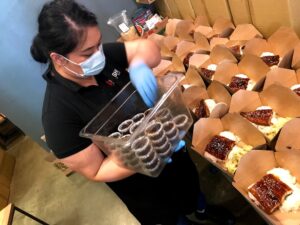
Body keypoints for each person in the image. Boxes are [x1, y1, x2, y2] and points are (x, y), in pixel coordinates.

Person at [30, 1, 234, 224]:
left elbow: (146, 49)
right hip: (142, 185)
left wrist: (138, 64)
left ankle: (201, 210)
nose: (98, 54)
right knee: (169, 217)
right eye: (88, 52)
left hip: (171, 149)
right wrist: (145, 156)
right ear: (59, 58)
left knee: (190, 189)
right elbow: (96, 171)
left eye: (98, 44)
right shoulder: (57, 116)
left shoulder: (102, 58)